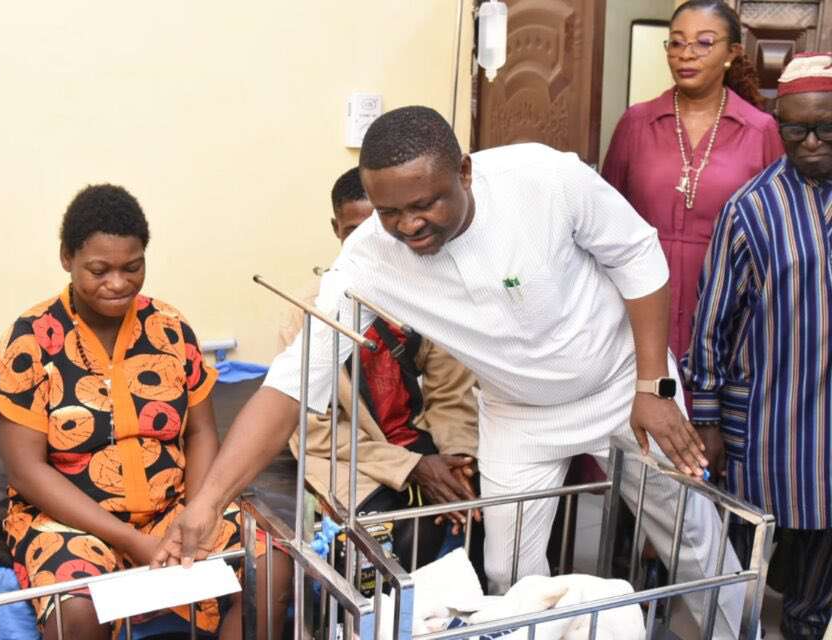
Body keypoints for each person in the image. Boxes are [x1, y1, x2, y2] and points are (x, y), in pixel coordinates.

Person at [155, 106, 746, 637]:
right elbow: (291, 384)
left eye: (425, 204)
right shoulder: (368, 260)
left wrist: (653, 385)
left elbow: (637, 255)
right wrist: (207, 502)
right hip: (519, 414)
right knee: (509, 572)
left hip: (623, 384)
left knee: (691, 538)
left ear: (464, 171)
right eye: (390, 212)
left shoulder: (544, 179)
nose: (409, 226)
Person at [0, 184, 289, 640]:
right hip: (71, 521)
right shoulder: (30, 340)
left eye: (132, 267)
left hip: (174, 508)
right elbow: (26, 471)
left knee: (273, 565)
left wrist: (195, 514)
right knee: (77, 611)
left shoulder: (170, 328)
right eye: (99, 270)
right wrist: (132, 541)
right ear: (66, 258)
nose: (118, 283)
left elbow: (200, 433)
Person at [682, 52, 832, 640]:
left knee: (822, 556)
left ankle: (805, 624)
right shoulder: (751, 208)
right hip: (769, 421)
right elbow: (712, 323)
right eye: (796, 130)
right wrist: (708, 419)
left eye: (826, 128)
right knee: (747, 550)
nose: (811, 142)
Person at [281, 167, 483, 574]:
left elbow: (451, 396)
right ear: (336, 230)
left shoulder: (427, 296)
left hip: (416, 441)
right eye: (354, 232)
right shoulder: (310, 309)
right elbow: (315, 431)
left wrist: (458, 462)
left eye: (378, 229)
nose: (369, 244)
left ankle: (481, 604)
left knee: (482, 507)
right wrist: (412, 468)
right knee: (397, 534)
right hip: (350, 454)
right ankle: (377, 610)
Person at [603, 0, 783, 389]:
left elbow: (777, 232)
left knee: (708, 421)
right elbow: (604, 221)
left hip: (727, 313)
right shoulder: (636, 123)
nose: (686, 54)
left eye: (703, 43)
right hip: (640, 307)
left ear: (732, 53)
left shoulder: (760, 131)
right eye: (676, 42)